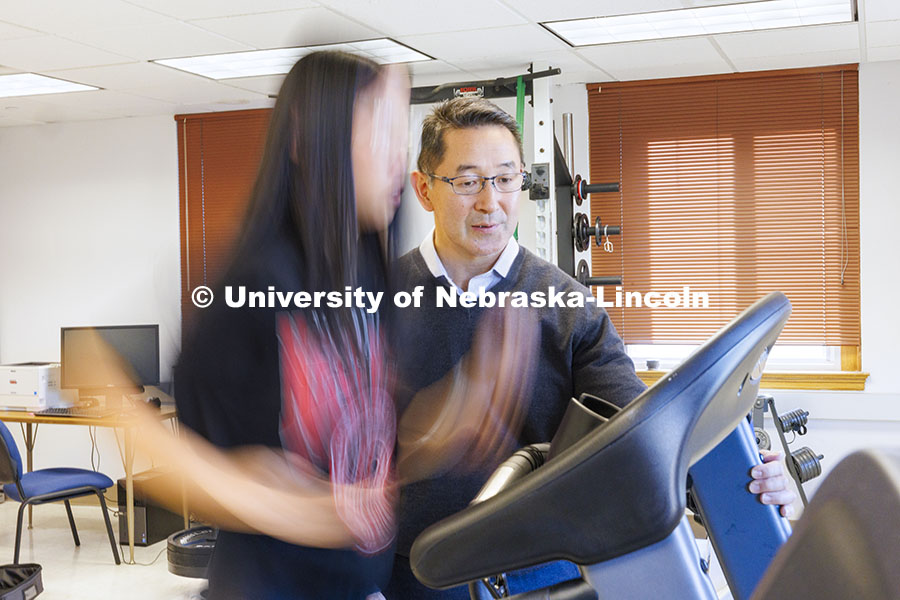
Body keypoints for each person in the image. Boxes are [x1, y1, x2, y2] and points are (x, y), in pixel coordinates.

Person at [384, 97, 796, 598]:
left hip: (541, 574)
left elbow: (634, 430)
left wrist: (730, 482)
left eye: (506, 179)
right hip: (414, 577)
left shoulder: (570, 308)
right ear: (425, 190)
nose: (490, 202)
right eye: (467, 181)